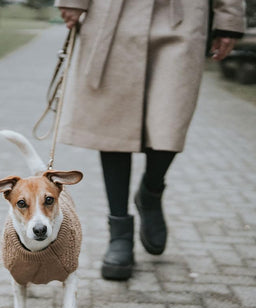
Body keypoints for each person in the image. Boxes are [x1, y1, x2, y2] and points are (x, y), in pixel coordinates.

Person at [55, 0, 245, 280]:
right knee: (113, 123)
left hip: (182, 16)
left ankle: (151, 192)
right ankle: (119, 232)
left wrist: (228, 19)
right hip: (113, 15)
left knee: (171, 119)